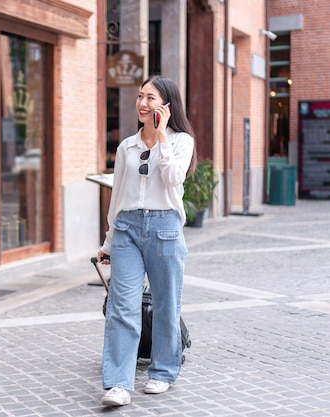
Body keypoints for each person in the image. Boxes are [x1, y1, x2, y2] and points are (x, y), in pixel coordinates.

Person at [96, 75, 196, 407]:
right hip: (127, 228)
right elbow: (118, 196)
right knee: (122, 306)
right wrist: (109, 240)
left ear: (167, 106)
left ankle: (164, 372)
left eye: (150, 98)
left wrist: (162, 137)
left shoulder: (181, 142)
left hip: (165, 227)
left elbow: (172, 179)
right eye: (140, 97)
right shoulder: (126, 146)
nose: (142, 103)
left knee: (167, 304)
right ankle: (118, 384)